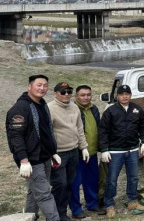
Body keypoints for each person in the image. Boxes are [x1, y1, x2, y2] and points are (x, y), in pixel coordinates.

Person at [6, 74, 62, 221]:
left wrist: (53, 152)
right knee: (44, 194)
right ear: (29, 87)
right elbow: (16, 137)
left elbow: (46, 131)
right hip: (31, 160)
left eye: (45, 85)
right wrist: (23, 161)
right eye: (39, 85)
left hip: (44, 157)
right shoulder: (20, 108)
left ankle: (30, 217)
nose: (42, 88)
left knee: (34, 191)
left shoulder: (42, 105)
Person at [98, 85, 144, 218]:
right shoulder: (111, 111)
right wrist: (104, 150)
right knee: (112, 179)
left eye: (127, 94)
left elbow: (143, 126)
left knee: (133, 177)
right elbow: (103, 131)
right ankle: (109, 204)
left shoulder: (136, 109)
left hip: (132, 150)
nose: (125, 96)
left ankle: (133, 201)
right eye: (122, 94)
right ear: (117, 96)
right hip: (115, 152)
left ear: (131, 95)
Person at [48, 82, 89, 221]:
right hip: (58, 153)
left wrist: (83, 147)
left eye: (69, 91)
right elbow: (46, 133)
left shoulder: (74, 107)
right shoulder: (49, 108)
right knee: (60, 184)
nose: (66, 94)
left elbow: (79, 128)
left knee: (71, 183)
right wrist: (52, 152)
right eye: (63, 92)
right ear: (55, 93)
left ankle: (63, 213)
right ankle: (55, 215)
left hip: (73, 151)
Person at [70, 85, 106, 218]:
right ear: (76, 96)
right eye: (82, 95)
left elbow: (100, 128)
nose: (86, 97)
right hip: (77, 154)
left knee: (91, 180)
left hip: (92, 153)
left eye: (88, 94)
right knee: (75, 182)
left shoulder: (94, 109)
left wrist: (102, 149)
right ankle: (76, 209)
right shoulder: (72, 110)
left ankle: (92, 204)